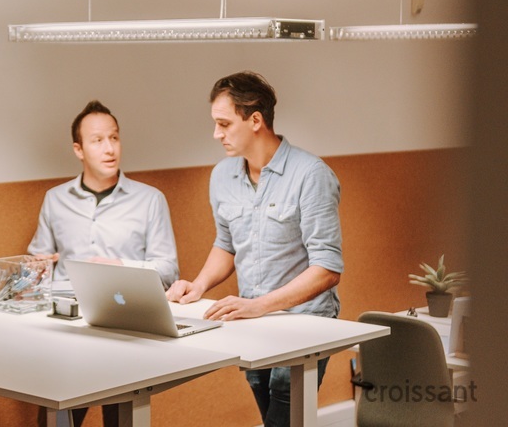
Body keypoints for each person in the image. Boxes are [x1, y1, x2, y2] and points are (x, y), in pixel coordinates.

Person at [166, 71, 343, 427]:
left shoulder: (311, 175)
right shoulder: (221, 176)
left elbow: (327, 269)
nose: (217, 134)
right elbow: (226, 244)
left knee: (282, 418)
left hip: (305, 325)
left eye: (224, 124)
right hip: (251, 326)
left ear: (256, 120)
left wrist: (258, 306)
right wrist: (198, 286)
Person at [29, 99, 180, 427]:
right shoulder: (55, 199)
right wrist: (36, 268)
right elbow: (37, 264)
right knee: (58, 418)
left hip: (124, 325)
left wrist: (120, 266)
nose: (109, 148)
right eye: (97, 140)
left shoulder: (149, 199)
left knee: (122, 418)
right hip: (66, 328)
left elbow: (168, 269)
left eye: (114, 138)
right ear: (79, 149)